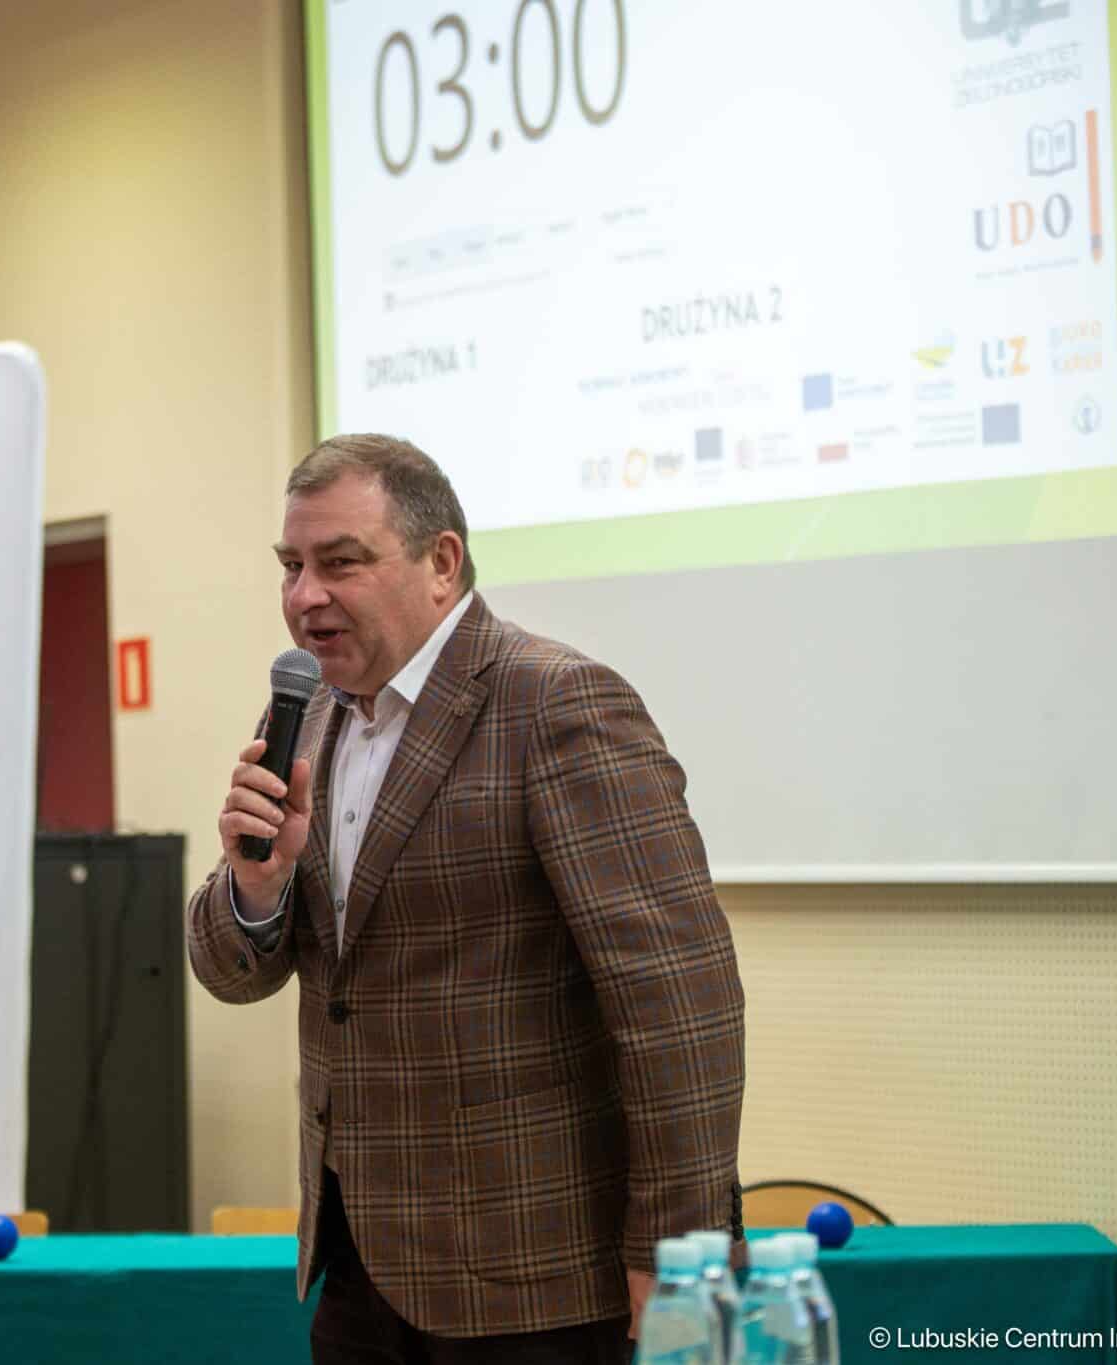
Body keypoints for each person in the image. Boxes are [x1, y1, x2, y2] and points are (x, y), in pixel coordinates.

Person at [187, 435, 746, 1363]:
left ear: (441, 561)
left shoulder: (558, 705)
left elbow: (681, 1009)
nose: (304, 596)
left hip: (534, 1277)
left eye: (340, 562)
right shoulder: (307, 717)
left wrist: (678, 1255)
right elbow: (234, 974)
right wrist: (256, 882)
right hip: (359, 1266)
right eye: (291, 566)